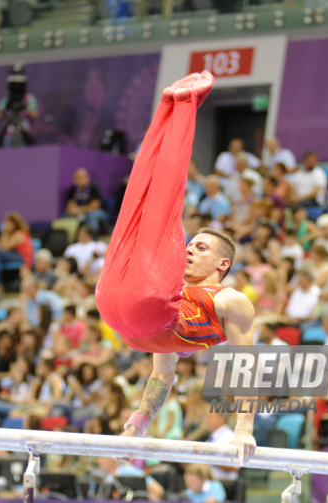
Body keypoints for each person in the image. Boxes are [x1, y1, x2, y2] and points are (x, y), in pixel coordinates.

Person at [95, 73, 256, 463]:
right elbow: (162, 375)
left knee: (165, 200)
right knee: (138, 196)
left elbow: (244, 368)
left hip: (140, 307)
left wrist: (243, 429)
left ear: (223, 263)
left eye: (200, 248)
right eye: (190, 245)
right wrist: (137, 422)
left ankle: (185, 105)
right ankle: (169, 104)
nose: (189, 251)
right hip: (120, 304)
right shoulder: (171, 289)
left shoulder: (231, 300)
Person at [64, 168, 108, 234]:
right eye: (77, 178)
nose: (79, 180)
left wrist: (80, 210)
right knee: (65, 214)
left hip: (97, 212)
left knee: (92, 215)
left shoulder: (93, 188)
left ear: (87, 178)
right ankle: (70, 237)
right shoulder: (72, 190)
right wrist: (75, 210)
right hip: (80, 211)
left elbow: (95, 205)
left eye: (81, 177)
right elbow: (70, 205)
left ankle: (93, 237)